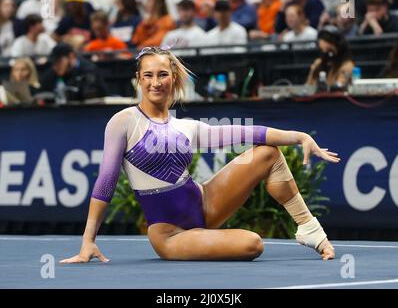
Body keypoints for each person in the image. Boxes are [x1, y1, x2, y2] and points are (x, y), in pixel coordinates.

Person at [60, 46, 339, 264]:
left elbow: (246, 133)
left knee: (267, 153)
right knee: (253, 243)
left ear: (173, 78)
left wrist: (300, 136)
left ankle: (310, 231)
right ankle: (204, 240)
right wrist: (88, 241)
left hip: (206, 204)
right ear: (138, 79)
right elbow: (106, 182)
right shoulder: (124, 121)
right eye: (148, 75)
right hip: (170, 235)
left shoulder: (186, 127)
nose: (155, 82)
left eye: (162, 75)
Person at [40, 43, 107, 101]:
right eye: (54, 63)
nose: (55, 66)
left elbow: (91, 94)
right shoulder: (53, 72)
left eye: (59, 61)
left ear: (71, 56)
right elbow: (42, 92)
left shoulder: (89, 70)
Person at [306, 25, 355, 90]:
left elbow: (340, 85)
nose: (327, 54)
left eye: (329, 50)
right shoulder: (317, 63)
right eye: (323, 50)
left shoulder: (347, 65)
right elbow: (308, 86)